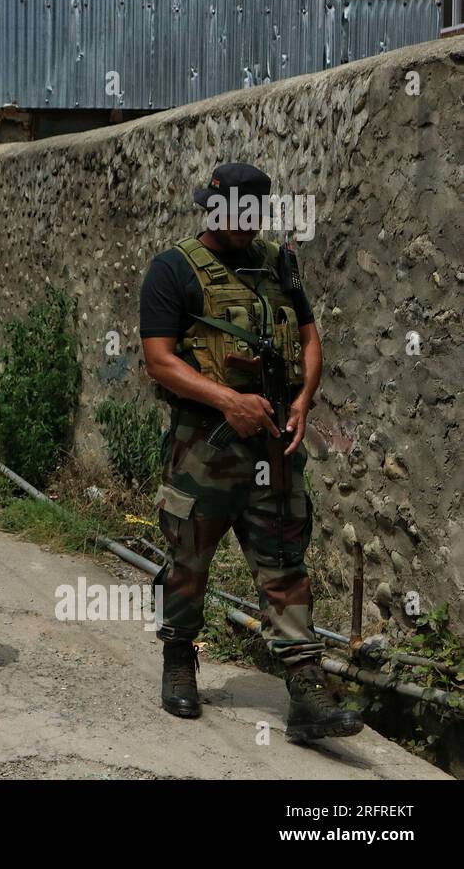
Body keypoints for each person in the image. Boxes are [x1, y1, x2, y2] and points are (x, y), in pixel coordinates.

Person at [140, 162, 362, 742]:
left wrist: (305, 398)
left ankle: (306, 688)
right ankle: (179, 658)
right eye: (232, 215)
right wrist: (225, 400)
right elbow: (159, 359)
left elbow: (309, 336)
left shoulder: (277, 262)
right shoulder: (173, 269)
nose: (244, 226)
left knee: (285, 564)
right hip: (203, 449)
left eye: (252, 215)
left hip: (275, 446)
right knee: (188, 563)